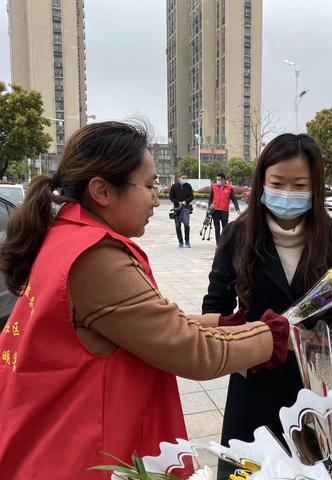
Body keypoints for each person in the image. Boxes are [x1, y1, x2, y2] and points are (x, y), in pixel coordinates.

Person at [0, 121, 291, 479]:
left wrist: (225, 323)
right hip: (81, 453)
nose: (157, 197)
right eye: (150, 185)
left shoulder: (68, 237)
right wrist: (273, 334)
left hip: (53, 437)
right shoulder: (94, 258)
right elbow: (193, 352)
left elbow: (146, 325)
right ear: (102, 191)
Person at [202, 133, 332, 479]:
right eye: (278, 183)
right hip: (255, 381)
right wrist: (243, 333)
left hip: (316, 383)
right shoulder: (238, 238)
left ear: (316, 187)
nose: (287, 193)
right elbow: (215, 307)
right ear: (262, 183)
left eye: (300, 185)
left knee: (318, 470)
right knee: (250, 470)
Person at [208, 173, 240, 245]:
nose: (217, 181)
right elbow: (210, 198)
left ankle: (224, 243)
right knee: (217, 229)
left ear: (223, 180)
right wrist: (209, 208)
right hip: (215, 210)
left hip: (224, 211)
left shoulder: (229, 188)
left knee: (225, 229)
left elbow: (234, 199)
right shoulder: (214, 187)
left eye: (219, 179)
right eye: (217, 179)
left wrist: (237, 209)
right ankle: (218, 244)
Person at [169, 173, 193, 248]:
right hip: (177, 208)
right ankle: (180, 241)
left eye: (185, 178)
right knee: (177, 226)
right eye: (183, 178)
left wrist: (186, 201)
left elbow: (191, 196)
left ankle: (187, 241)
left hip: (185, 207)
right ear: (179, 178)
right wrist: (177, 202)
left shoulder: (188, 186)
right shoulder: (174, 187)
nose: (184, 180)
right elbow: (171, 197)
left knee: (186, 225)